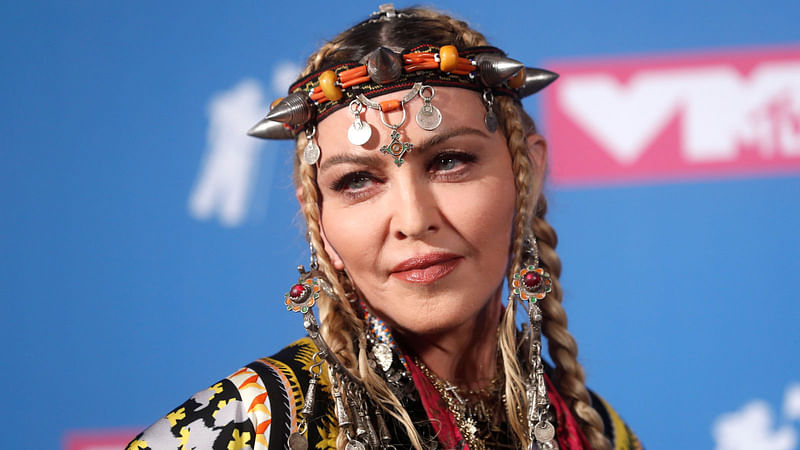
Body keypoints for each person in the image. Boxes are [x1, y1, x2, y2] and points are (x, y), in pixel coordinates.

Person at [127, 5, 641, 450]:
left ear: (527, 174)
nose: (414, 220)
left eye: (450, 161)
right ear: (317, 213)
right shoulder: (259, 425)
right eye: (356, 181)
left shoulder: (593, 432)